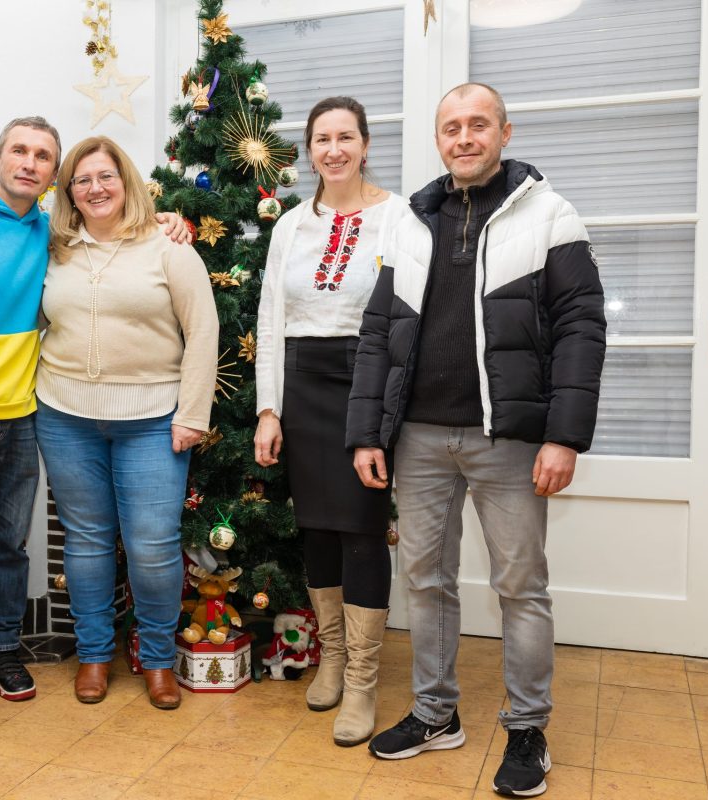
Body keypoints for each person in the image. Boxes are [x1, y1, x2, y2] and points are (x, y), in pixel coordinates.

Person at [347, 83, 606, 797]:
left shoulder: (548, 214)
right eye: (451, 127)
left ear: (504, 132)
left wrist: (564, 436)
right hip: (419, 439)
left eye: (478, 124)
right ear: (439, 139)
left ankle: (527, 729)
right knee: (425, 582)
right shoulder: (409, 222)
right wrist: (367, 433)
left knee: (521, 586)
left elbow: (582, 328)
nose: (464, 137)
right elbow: (378, 333)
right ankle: (436, 715)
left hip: (509, 441)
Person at [0, 117, 188, 714]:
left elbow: (114, 233)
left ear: (54, 175)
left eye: (43, 156)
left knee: (10, 546)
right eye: (19, 151)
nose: (29, 163)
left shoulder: (50, 232)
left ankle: (2, 648)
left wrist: (166, 219)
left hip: (24, 412)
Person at [36, 136, 218, 710]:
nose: (95, 188)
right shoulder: (53, 248)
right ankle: (93, 655)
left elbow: (203, 331)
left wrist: (192, 414)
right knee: (87, 541)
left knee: (153, 546)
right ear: (69, 192)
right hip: (64, 416)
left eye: (105, 177)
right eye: (82, 180)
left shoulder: (169, 247)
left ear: (126, 181)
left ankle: (158, 660)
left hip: (152, 421)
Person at [253, 96, 409, 745]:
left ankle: (365, 679)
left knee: (363, 528)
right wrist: (268, 409)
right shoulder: (290, 225)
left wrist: (389, 407)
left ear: (365, 145)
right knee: (317, 527)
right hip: (301, 382)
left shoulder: (398, 217)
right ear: (309, 150)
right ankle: (334, 658)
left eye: (346, 137)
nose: (334, 149)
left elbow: (406, 316)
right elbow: (270, 319)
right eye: (323, 139)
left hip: (365, 379)